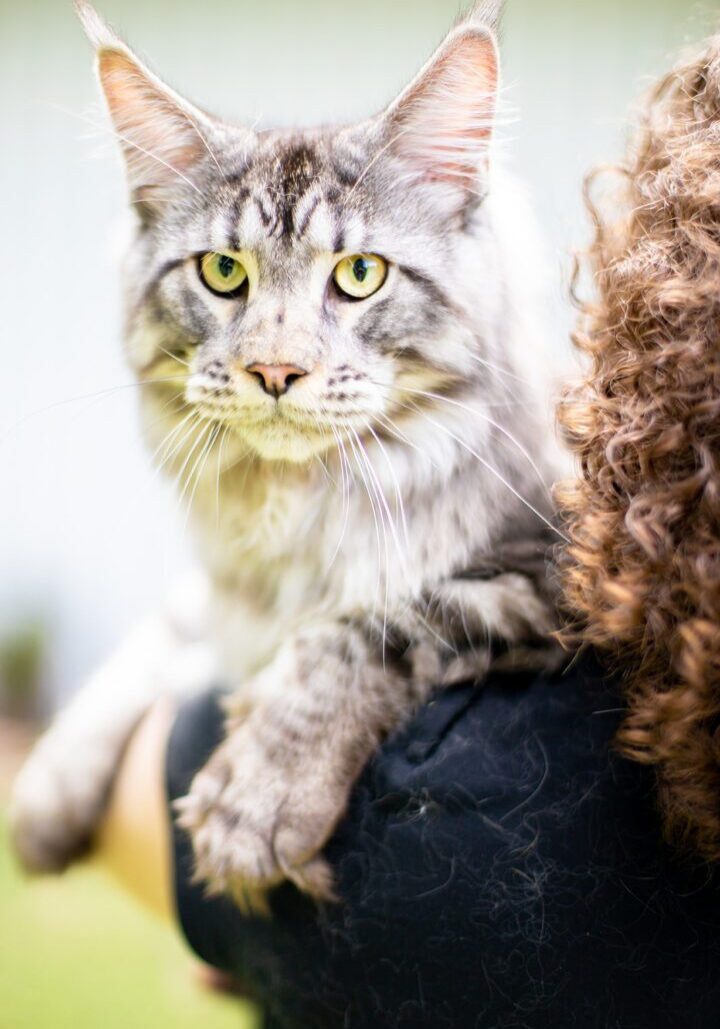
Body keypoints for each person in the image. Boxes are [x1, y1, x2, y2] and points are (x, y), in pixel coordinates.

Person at [95, 30, 720, 1029]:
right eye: (225, 275)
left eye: (354, 280)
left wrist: (351, 664)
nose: (278, 358)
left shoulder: (533, 479)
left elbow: (558, 593)